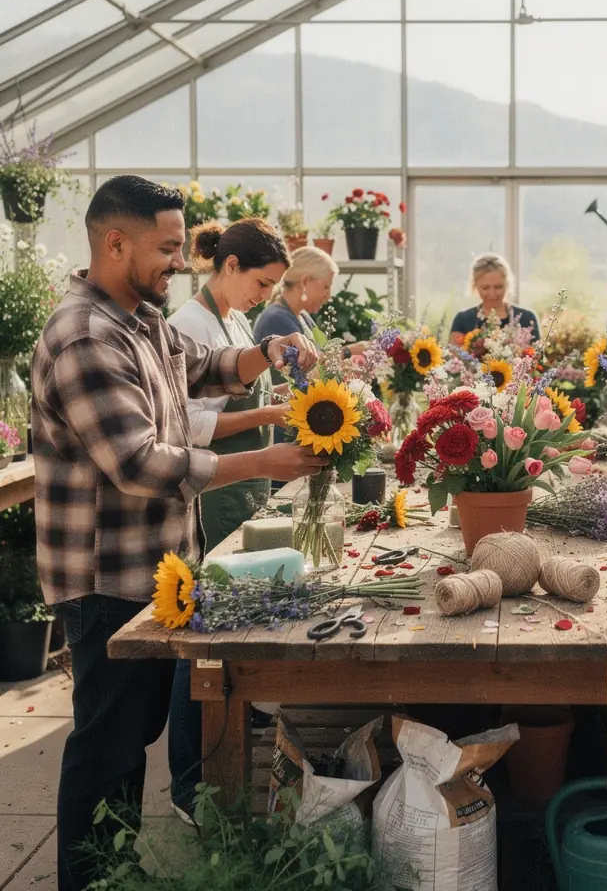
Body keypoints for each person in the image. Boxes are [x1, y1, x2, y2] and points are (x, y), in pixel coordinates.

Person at [32, 176, 326, 891]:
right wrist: (264, 461)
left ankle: (112, 869)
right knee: (106, 746)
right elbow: (137, 464)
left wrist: (269, 353)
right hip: (105, 576)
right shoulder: (84, 335)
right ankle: (89, 879)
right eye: (167, 248)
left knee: (131, 739)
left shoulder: (140, 319)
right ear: (115, 242)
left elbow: (205, 367)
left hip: (150, 567)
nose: (180, 260)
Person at [165, 218, 292, 821]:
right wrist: (265, 417)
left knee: (230, 626)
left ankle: (234, 733)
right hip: (212, 490)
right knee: (203, 642)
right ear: (231, 265)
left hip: (241, 485)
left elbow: (236, 392)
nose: (265, 297)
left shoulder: (234, 319)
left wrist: (276, 401)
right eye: (261, 283)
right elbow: (186, 427)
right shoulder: (188, 325)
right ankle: (190, 783)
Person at [253, 246, 364, 447]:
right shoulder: (276, 319)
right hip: (283, 435)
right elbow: (306, 374)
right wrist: (348, 352)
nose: (328, 295)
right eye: (326, 286)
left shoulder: (302, 316)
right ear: (305, 281)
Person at [449, 253, 539, 343]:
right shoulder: (463, 320)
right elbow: (454, 350)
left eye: (498, 287)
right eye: (485, 288)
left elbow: (536, 351)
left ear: (507, 285)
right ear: (475, 286)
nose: (492, 294)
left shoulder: (527, 319)